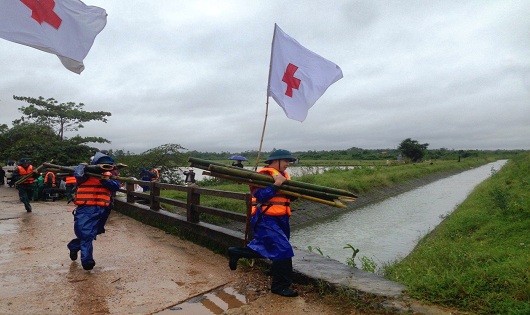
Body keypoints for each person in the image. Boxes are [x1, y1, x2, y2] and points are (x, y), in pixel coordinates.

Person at [227, 149, 299, 297]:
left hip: (282, 219)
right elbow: (260, 196)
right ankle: (280, 286)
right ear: (276, 161)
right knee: (283, 249)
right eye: (286, 161)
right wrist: (276, 185)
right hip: (265, 218)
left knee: (271, 248)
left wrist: (293, 194)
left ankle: (236, 252)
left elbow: (286, 198)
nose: (288, 164)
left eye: (289, 162)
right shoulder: (263, 176)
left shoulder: (284, 175)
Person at [67, 152, 120, 270]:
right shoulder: (84, 174)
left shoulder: (110, 175)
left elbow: (116, 186)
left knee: (92, 233)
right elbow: (78, 175)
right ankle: (87, 261)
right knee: (86, 234)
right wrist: (82, 166)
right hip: (86, 209)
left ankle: (74, 246)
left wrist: (106, 180)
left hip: (103, 210)